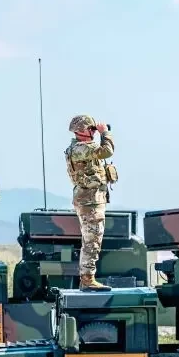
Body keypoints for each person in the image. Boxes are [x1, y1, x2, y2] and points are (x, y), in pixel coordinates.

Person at [65, 114, 115, 291]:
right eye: (91, 129)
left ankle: (87, 278)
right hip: (89, 202)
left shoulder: (81, 148)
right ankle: (87, 280)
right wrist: (105, 133)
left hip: (91, 200)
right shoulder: (81, 148)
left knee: (92, 240)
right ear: (80, 131)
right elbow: (107, 151)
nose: (93, 132)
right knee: (92, 241)